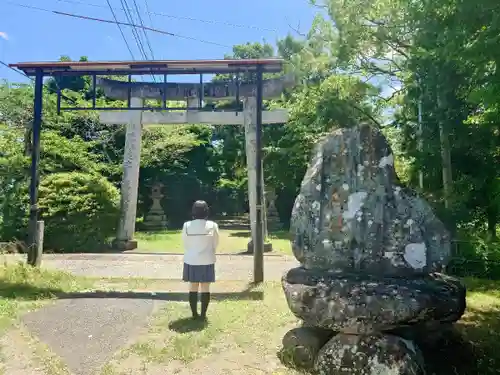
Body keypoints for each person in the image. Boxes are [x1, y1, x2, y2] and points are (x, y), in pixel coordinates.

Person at [182, 200, 219, 320]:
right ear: (206, 211)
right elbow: (215, 243)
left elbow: (185, 243)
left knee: (193, 286)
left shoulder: (187, 225)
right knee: (205, 287)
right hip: (207, 259)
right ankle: (203, 315)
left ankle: (194, 314)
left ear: (193, 211)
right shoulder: (212, 225)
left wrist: (193, 250)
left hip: (191, 259)